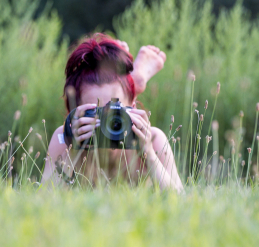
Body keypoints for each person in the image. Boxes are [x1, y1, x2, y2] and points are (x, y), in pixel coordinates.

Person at [41, 34, 184, 192]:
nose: (106, 122)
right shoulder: (64, 139)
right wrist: (73, 153)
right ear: (75, 114)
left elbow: (180, 199)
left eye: (115, 114)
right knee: (117, 96)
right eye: (96, 112)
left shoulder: (153, 139)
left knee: (118, 96)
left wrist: (149, 154)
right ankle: (131, 82)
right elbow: (44, 197)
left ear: (133, 109)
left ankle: (131, 81)